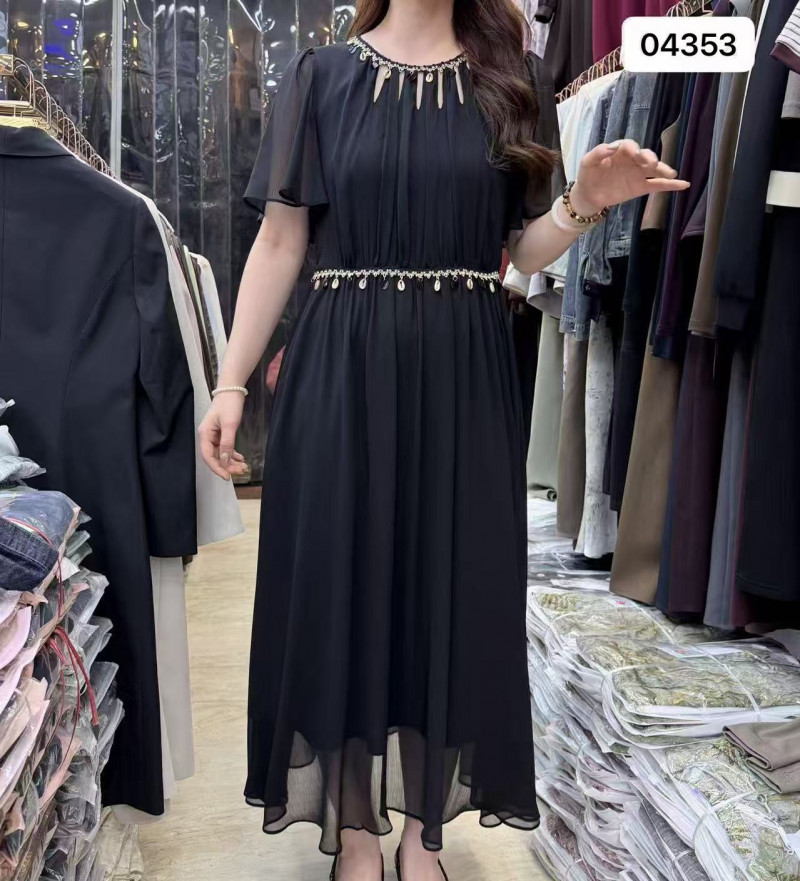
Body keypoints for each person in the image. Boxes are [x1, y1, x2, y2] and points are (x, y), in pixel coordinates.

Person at [199, 1, 687, 878]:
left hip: (463, 377)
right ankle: (355, 832)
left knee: (449, 587)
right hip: (341, 371)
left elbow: (522, 253)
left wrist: (584, 203)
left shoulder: (514, 80)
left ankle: (424, 833)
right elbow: (279, 239)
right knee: (340, 584)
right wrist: (230, 380)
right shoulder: (320, 77)